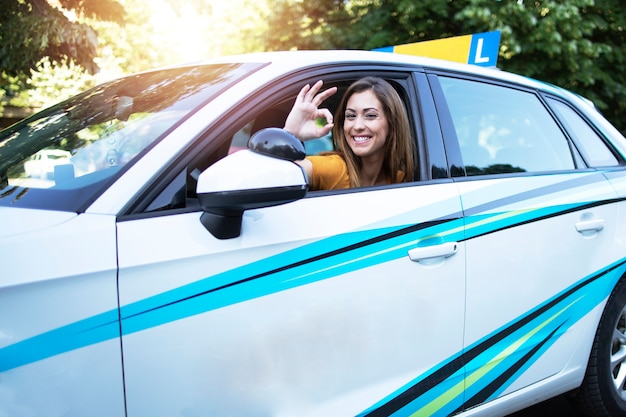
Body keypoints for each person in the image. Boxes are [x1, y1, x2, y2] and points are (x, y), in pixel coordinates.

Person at [283, 77, 416, 190]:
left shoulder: (400, 179)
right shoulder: (335, 168)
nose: (357, 126)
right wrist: (290, 133)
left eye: (370, 115)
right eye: (351, 116)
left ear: (392, 123)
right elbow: (279, 174)